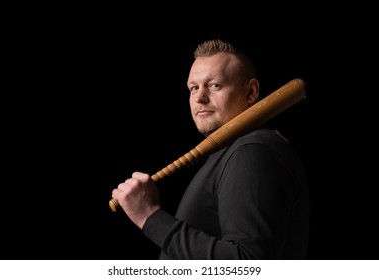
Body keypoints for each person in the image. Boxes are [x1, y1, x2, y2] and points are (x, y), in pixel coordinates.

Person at [111, 39, 310, 259]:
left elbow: (248, 264)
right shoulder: (231, 153)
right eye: (193, 88)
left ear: (251, 92)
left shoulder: (253, 151)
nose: (199, 97)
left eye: (215, 85)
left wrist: (149, 216)